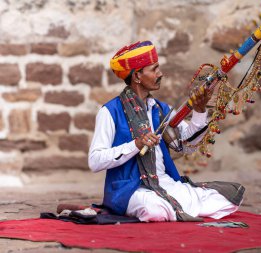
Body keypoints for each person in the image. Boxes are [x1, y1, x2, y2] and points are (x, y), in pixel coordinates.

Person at [88, 41, 244, 222]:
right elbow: (95, 161)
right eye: (154, 70)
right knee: (154, 209)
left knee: (224, 199)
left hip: (164, 183)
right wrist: (136, 144)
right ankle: (170, 208)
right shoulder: (110, 112)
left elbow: (187, 146)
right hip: (131, 189)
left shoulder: (161, 109)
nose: (160, 74)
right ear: (137, 76)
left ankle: (173, 208)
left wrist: (199, 112)